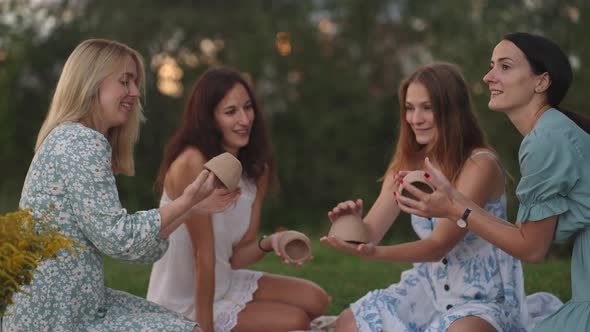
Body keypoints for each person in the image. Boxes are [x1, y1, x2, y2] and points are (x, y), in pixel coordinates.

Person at [1, 39, 240, 332]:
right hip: (56, 319)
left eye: (135, 82)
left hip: (74, 306)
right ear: (90, 84)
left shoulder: (71, 137)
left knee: (185, 327)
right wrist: (186, 201)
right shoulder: (81, 143)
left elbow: (140, 250)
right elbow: (119, 238)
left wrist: (189, 208)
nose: (135, 92)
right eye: (124, 81)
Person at [321, 62, 561, 332]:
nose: (415, 118)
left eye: (427, 107)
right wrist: (351, 226)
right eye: (410, 108)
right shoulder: (406, 163)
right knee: (347, 324)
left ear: (452, 110)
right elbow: (370, 233)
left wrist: (376, 254)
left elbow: (439, 246)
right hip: (428, 287)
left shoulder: (480, 164)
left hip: (483, 296)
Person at [396, 32, 590, 332]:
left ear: (542, 82)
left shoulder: (545, 141)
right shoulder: (551, 131)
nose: (488, 77)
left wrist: (457, 211)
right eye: (491, 65)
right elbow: (529, 236)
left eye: (505, 66)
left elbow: (532, 249)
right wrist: (456, 200)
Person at [146, 67, 330, 332]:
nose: (245, 119)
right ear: (209, 118)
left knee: (317, 299)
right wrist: (204, 329)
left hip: (225, 280)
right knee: (296, 321)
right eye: (231, 112)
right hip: (184, 302)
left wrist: (272, 242)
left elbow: (237, 256)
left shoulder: (257, 170)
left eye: (248, 107)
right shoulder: (192, 164)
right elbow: (203, 257)